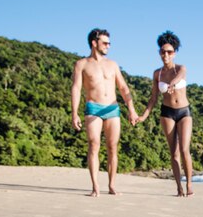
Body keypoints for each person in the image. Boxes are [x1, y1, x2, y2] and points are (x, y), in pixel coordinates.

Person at [71, 28, 138, 197]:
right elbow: (76, 88)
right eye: (105, 42)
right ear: (94, 43)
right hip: (93, 107)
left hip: (112, 108)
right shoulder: (82, 64)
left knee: (112, 147)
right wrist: (74, 113)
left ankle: (112, 185)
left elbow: (123, 87)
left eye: (109, 42)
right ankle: (95, 186)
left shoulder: (113, 64)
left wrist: (131, 109)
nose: (109, 45)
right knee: (94, 144)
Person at [137, 31, 194, 197]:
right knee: (174, 152)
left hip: (184, 112)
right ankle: (179, 187)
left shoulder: (181, 68)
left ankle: (189, 184)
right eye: (163, 51)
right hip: (167, 112)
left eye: (169, 52)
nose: (166, 54)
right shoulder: (157, 74)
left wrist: (172, 84)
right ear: (159, 53)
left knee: (184, 149)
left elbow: (180, 77)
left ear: (174, 53)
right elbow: (153, 98)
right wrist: (143, 116)